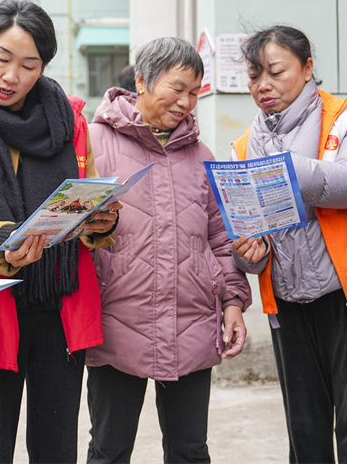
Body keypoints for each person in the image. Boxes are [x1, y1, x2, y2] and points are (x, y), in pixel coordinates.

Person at [0, 0, 121, 463]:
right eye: (2, 59)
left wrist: (100, 222)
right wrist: (2, 241)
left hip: (60, 307)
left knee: (55, 451)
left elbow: (82, 193)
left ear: (43, 68)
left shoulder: (68, 119)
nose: (11, 76)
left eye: (29, 66)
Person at [231, 25, 347, 463]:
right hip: (290, 304)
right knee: (305, 429)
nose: (264, 85)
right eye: (255, 76)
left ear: (308, 67)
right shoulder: (244, 145)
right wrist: (249, 255)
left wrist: (282, 165)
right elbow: (254, 230)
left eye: (275, 71)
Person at [84, 37, 251, 463]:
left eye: (194, 92)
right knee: (110, 447)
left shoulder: (201, 156)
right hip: (115, 322)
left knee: (190, 450)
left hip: (191, 321)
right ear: (142, 81)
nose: (186, 102)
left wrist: (232, 300)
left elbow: (219, 237)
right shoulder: (92, 144)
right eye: (177, 88)